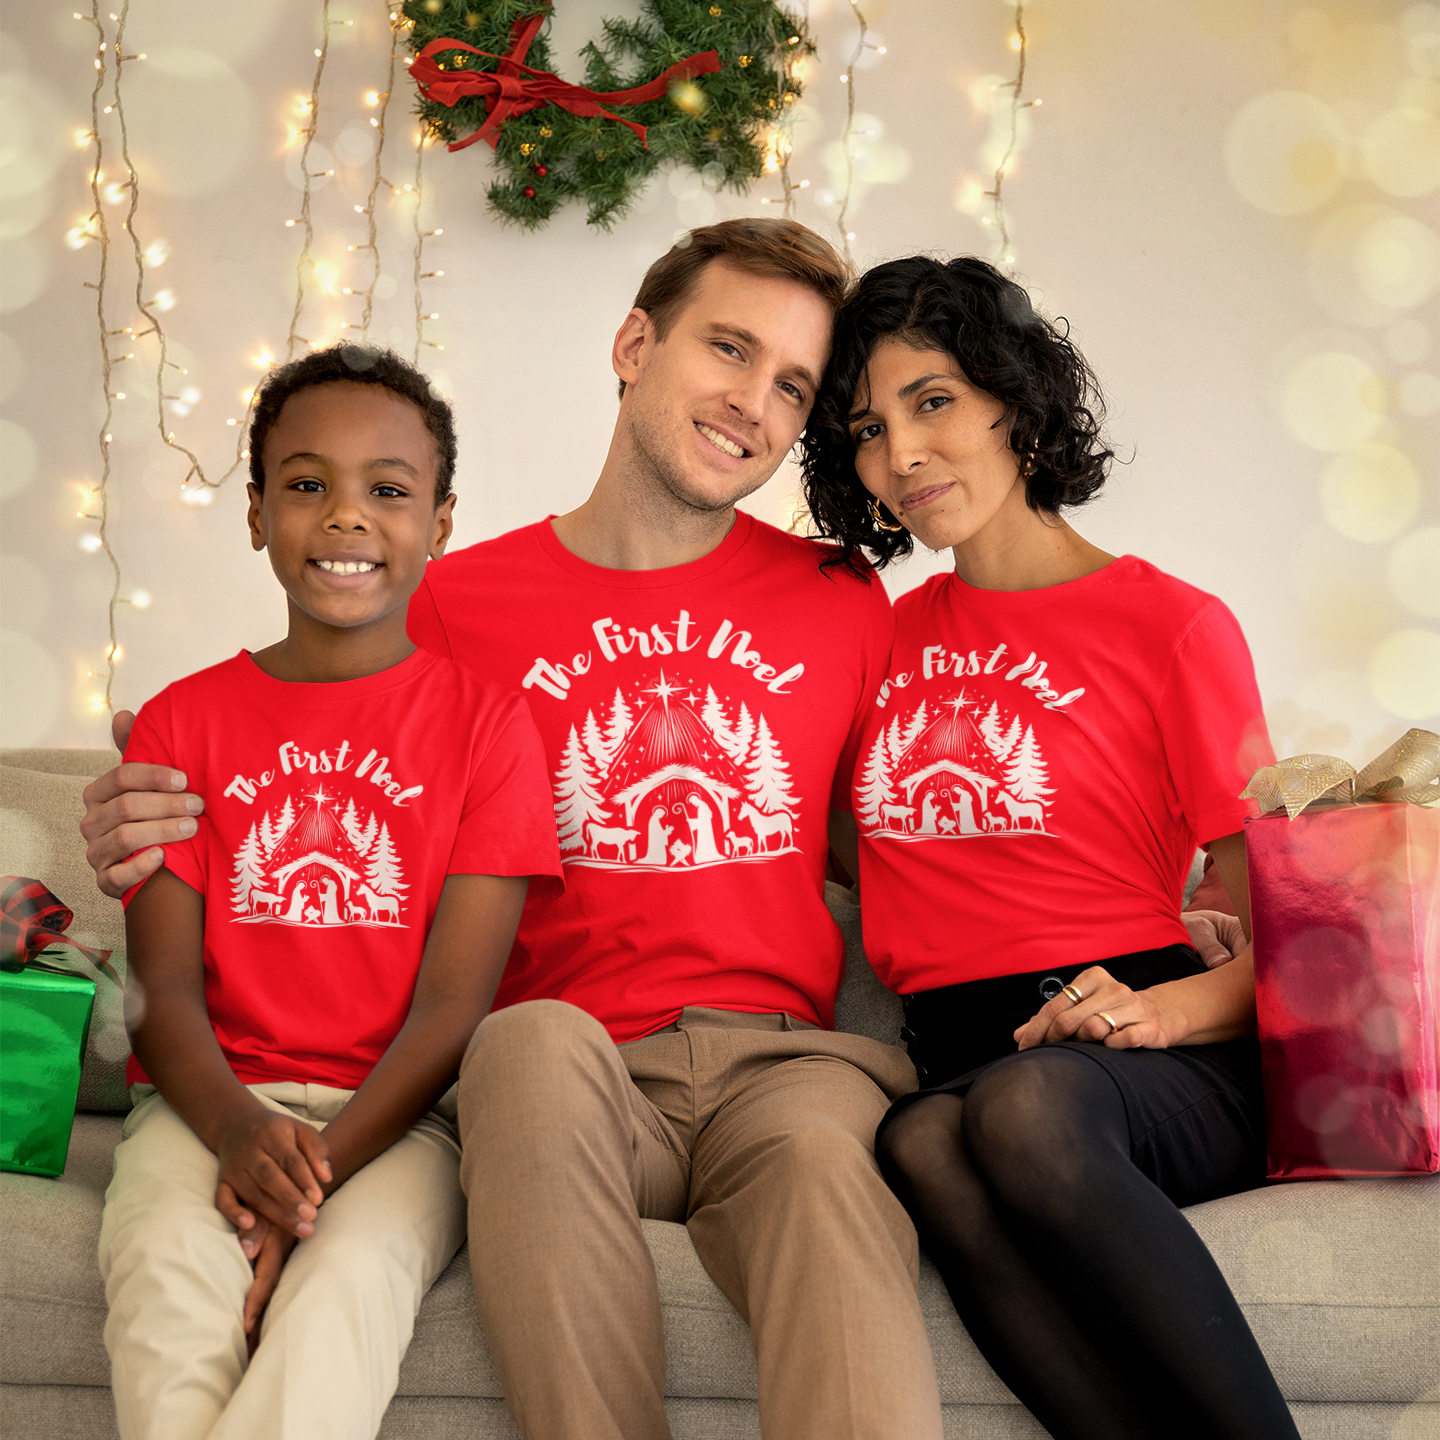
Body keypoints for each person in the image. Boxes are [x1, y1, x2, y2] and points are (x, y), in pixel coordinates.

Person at [80, 220, 945, 1440]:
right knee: (530, 1042)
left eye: (792, 384)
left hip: (783, 1063)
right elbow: (289, 764)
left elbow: (903, 831)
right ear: (634, 344)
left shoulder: (843, 599)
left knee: (822, 1170)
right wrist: (149, 793)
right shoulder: (442, 605)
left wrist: (1134, 908)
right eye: (729, 348)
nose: (753, 403)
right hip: (563, 1068)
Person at [799, 253, 1300, 1440]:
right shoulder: (879, 642)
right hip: (964, 1057)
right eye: (869, 429)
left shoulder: (1172, 625)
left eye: (934, 403)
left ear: (1013, 403)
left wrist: (1147, 1011)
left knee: (1022, 1113)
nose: (902, 457)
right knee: (921, 1137)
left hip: (1154, 1053)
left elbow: (1289, 940)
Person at [97, 345, 563, 1440]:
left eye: (387, 491)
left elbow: (455, 1008)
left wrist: (304, 1180)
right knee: (169, 1281)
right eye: (307, 486)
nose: (346, 518)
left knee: (343, 1293)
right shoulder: (184, 722)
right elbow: (159, 988)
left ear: (441, 521)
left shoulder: (491, 729)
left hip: (401, 1126)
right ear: (257, 515)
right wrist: (237, 1135)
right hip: (208, 1105)